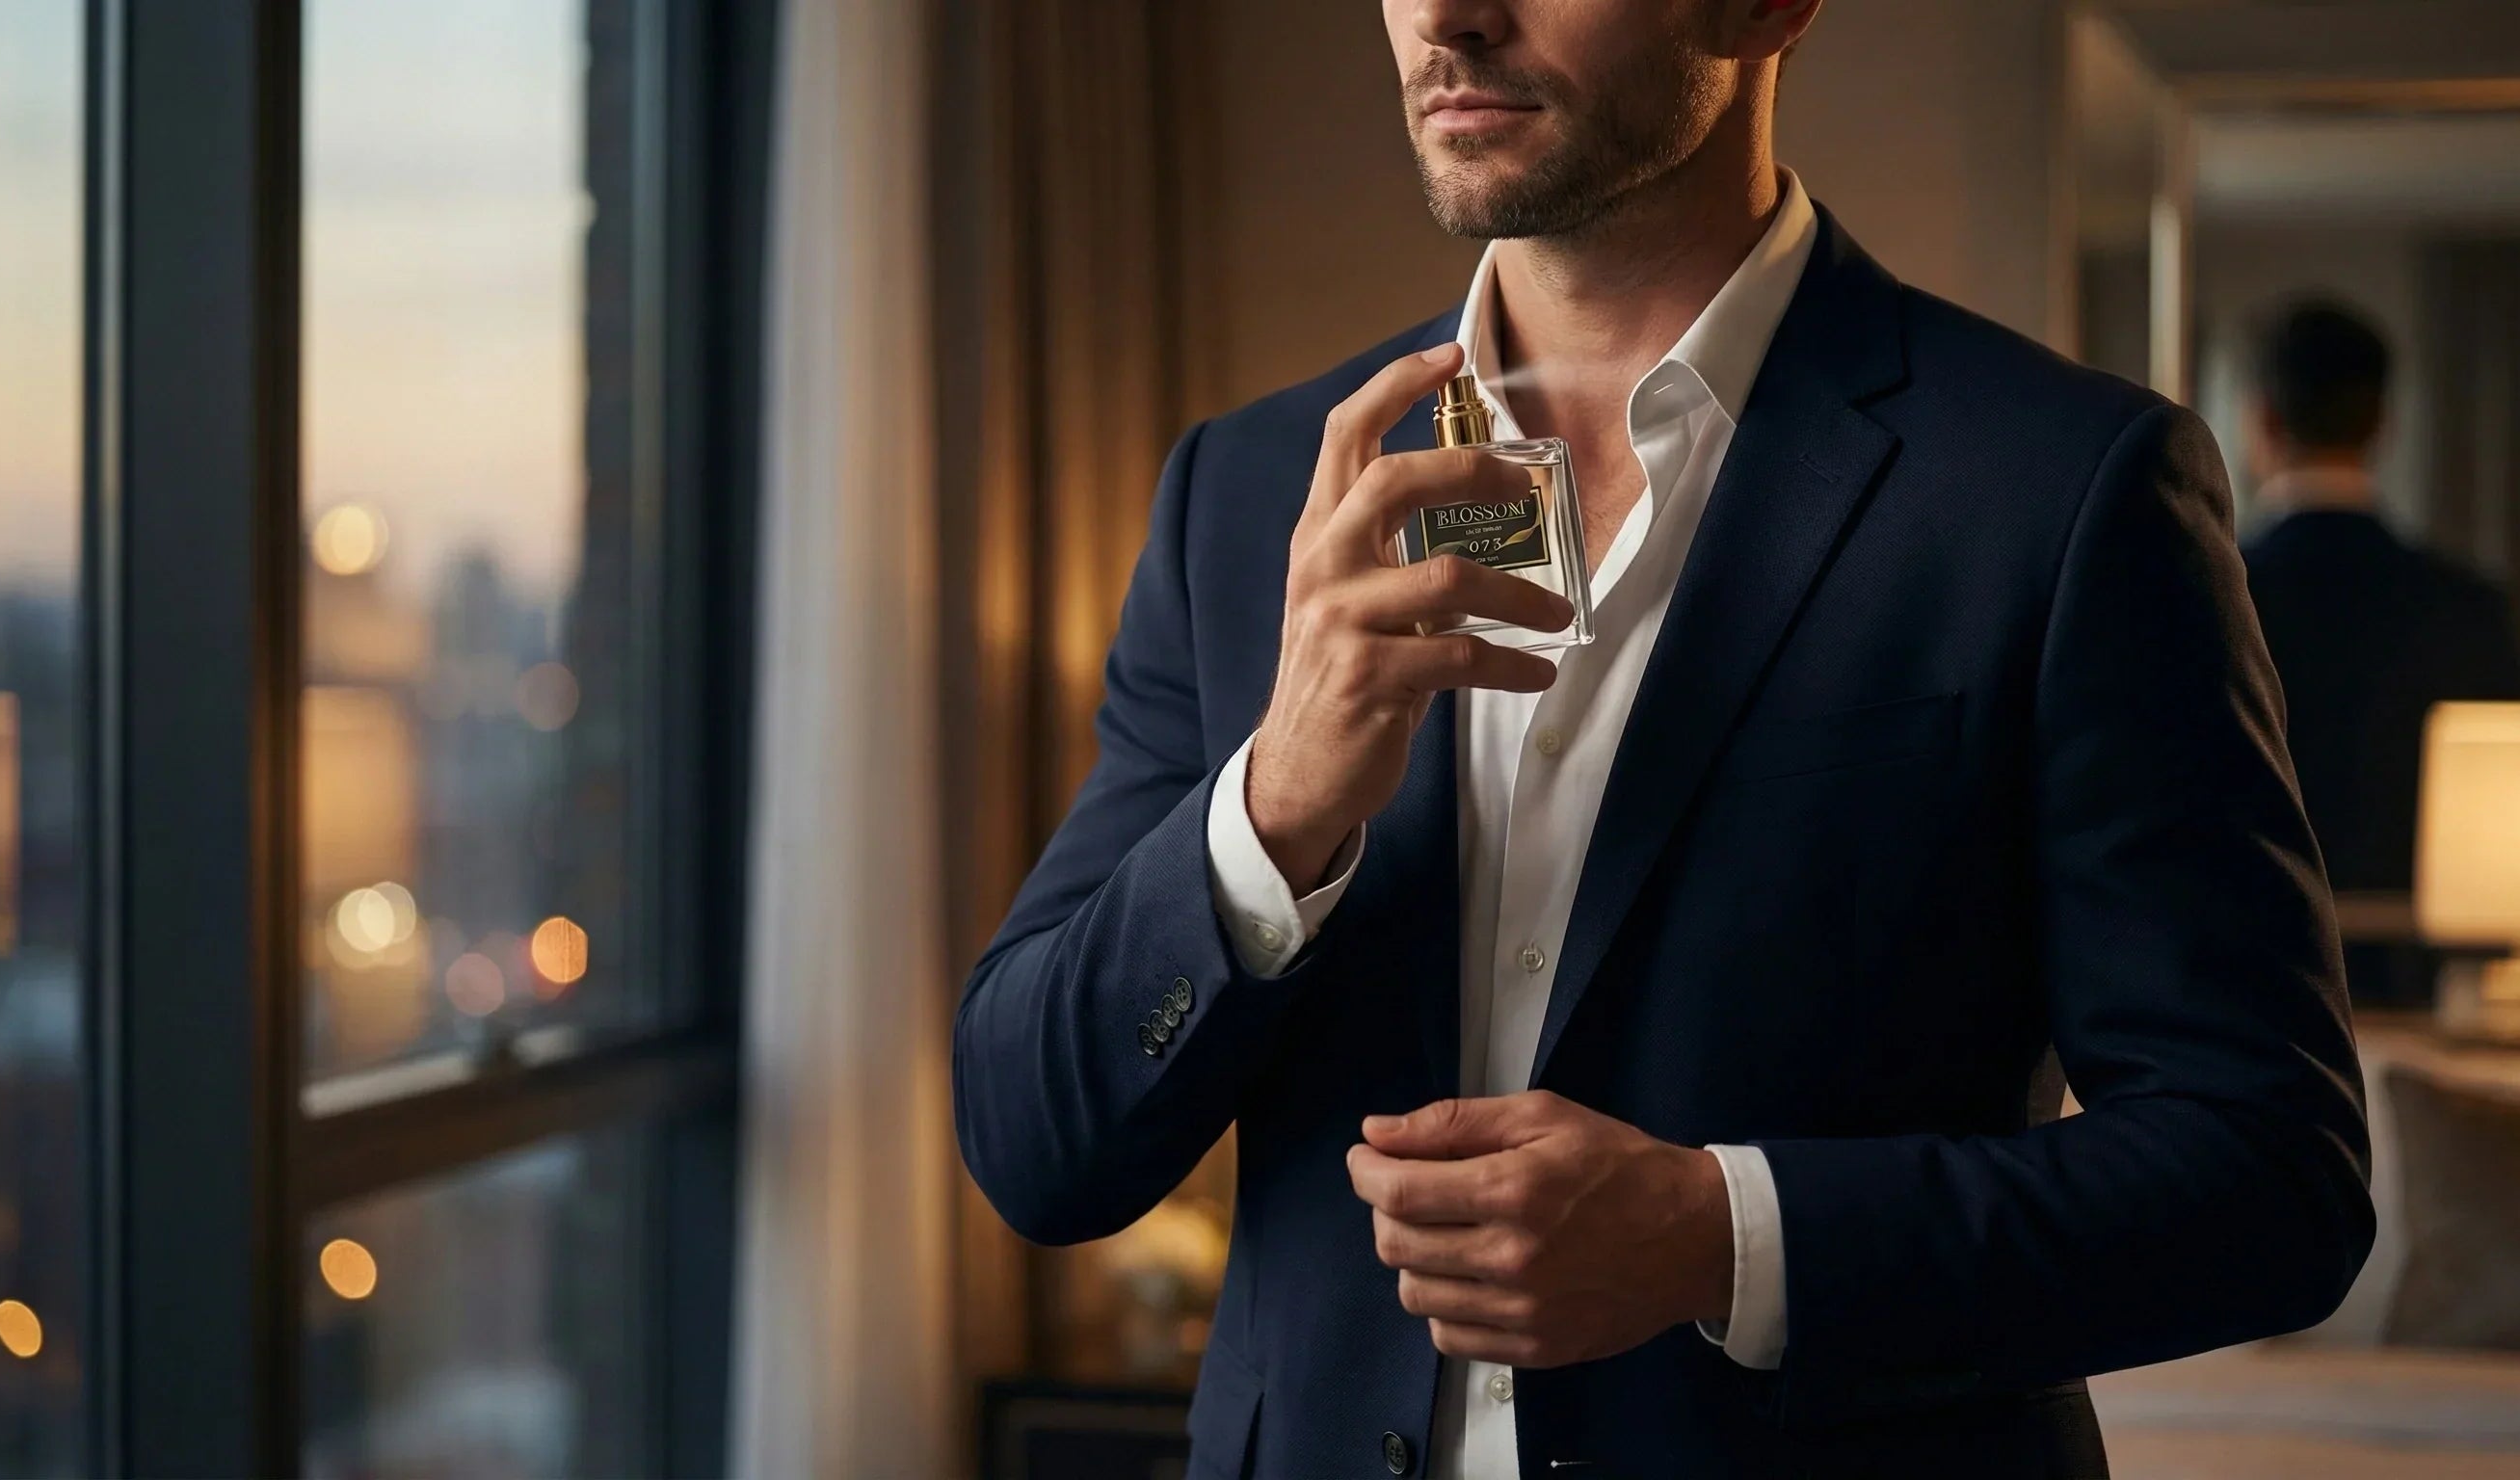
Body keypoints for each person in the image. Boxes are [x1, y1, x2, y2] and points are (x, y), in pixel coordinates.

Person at [954, 2, 2373, 1473]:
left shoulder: (2062, 489)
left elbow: (2271, 1181)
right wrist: (1277, 804)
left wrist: (1723, 1238)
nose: (1447, 14)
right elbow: (1034, 1147)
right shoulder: (1245, 492)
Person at [2238, 298, 2520, 1006]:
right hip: (2429, 986)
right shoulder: (2468, 607)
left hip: (2251, 976)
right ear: (2382, 425)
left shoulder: (2214, 593)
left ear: (2263, 421)